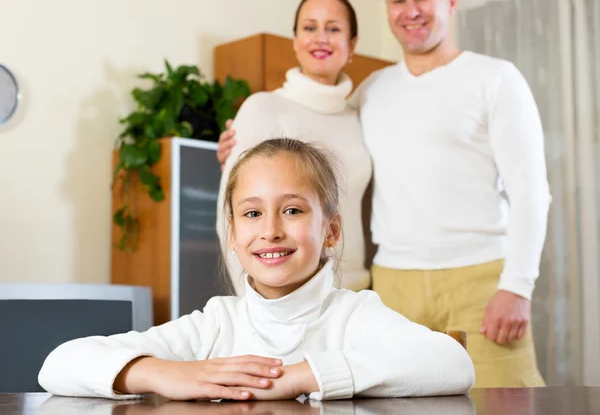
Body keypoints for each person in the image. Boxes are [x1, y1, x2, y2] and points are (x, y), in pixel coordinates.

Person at [217, 0, 551, 388]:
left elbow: (530, 191)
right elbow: (307, 133)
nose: (410, 10)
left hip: (480, 277)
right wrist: (235, 145)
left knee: (503, 400)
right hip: (391, 285)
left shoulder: (495, 78)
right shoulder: (372, 90)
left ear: (451, 1)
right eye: (398, 0)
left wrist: (518, 286)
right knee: (396, 403)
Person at [38, 138, 475, 401]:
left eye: (291, 210)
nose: (270, 231)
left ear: (331, 231)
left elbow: (453, 363)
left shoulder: (354, 315)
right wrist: (169, 373)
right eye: (251, 214)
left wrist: (301, 377)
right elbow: (57, 364)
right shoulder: (215, 324)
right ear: (231, 233)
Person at [216, 0, 372, 296]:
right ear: (296, 41)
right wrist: (256, 306)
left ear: (351, 44)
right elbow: (232, 217)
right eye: (310, 27)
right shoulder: (263, 108)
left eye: (334, 28)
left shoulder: (359, 116)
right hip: (287, 297)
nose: (321, 38)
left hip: (355, 292)